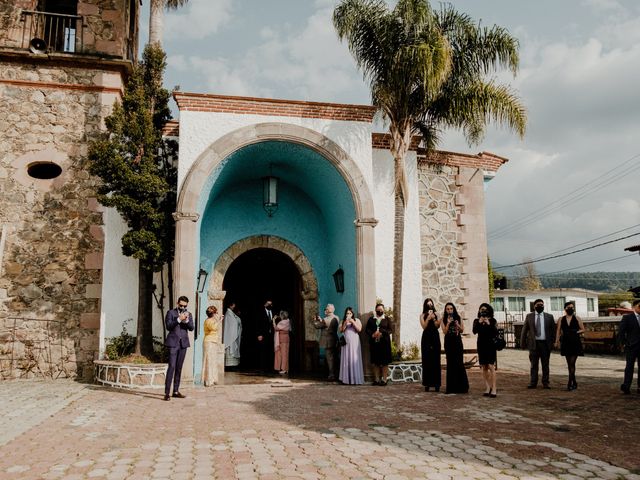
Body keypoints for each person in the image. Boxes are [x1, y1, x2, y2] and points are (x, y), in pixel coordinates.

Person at [164, 295, 194, 401]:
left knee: (179, 368)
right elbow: (168, 326)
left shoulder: (188, 314)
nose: (182, 308)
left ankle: (175, 391)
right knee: (171, 367)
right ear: (177, 303)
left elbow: (192, 328)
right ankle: (167, 393)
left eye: (184, 306)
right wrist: (178, 319)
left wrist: (186, 321)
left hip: (183, 344)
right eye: (181, 305)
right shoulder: (170, 313)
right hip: (173, 343)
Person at [520, 299, 556, 389]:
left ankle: (546, 382)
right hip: (534, 344)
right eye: (538, 305)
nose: (540, 306)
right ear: (534, 306)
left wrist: (553, 342)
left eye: (542, 304)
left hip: (545, 344)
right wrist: (522, 343)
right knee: (533, 365)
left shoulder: (549, 317)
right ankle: (533, 382)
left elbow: (553, 331)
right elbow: (524, 331)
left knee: (545, 364)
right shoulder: (529, 316)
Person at [554, 301, 584, 391]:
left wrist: (575, 332)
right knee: (569, 364)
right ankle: (574, 381)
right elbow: (558, 330)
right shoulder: (561, 319)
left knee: (572, 363)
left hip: (575, 342)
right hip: (566, 342)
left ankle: (569, 383)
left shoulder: (577, 318)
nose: (571, 308)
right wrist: (556, 341)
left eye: (572, 307)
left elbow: (583, 329)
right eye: (569, 307)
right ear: (565, 309)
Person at [441, 302, 469, 394]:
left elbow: (462, 330)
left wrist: (457, 325)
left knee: (459, 363)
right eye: (448, 309)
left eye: (451, 309)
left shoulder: (458, 317)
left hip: (457, 342)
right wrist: (448, 323)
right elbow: (444, 332)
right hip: (449, 342)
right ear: (445, 310)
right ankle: (451, 388)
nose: (449, 310)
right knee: (450, 363)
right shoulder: (443, 319)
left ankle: (462, 387)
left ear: (454, 309)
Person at [473, 303, 499, 397]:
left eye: (485, 309)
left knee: (491, 366)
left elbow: (495, 333)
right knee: (484, 367)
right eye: (481, 309)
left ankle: (494, 388)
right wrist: (480, 322)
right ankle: (487, 387)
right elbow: (474, 331)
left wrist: (488, 323)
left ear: (488, 310)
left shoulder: (493, 320)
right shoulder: (476, 320)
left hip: (490, 345)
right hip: (481, 345)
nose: (483, 311)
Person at [365, 303, 392, 386]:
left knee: (384, 362)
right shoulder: (371, 319)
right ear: (375, 310)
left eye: (381, 309)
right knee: (375, 362)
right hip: (374, 343)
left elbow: (390, 330)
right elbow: (367, 329)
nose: (380, 311)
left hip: (385, 344)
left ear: (383, 310)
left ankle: (384, 380)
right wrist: (372, 334)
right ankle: (376, 379)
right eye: (378, 309)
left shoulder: (387, 319)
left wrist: (382, 333)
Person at [618, 298, 640, 395]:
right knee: (629, 367)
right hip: (631, 347)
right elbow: (621, 332)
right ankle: (626, 386)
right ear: (635, 307)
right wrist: (622, 344)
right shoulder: (627, 318)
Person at [338, 307, 364, 385]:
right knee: (347, 358)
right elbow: (341, 330)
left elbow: (359, 329)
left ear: (352, 314)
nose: (348, 314)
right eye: (347, 313)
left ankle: (355, 379)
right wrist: (345, 323)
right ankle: (346, 379)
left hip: (355, 342)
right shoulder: (343, 321)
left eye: (350, 313)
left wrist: (353, 321)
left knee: (354, 358)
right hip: (346, 343)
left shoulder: (357, 320)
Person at [420, 298, 441, 392]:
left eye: (431, 304)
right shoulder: (422, 315)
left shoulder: (437, 314)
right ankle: (427, 384)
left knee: (436, 360)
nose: (430, 306)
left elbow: (438, 326)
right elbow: (424, 327)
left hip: (435, 337)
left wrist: (434, 319)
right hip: (426, 337)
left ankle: (437, 384)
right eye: (428, 304)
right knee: (427, 360)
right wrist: (428, 319)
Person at [314, 304, 340, 380]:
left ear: (329, 310)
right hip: (334, 339)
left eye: (326, 309)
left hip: (328, 341)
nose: (325, 310)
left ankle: (331, 374)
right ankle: (334, 373)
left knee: (329, 358)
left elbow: (317, 326)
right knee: (333, 357)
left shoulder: (326, 320)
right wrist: (321, 320)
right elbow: (325, 324)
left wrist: (315, 320)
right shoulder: (336, 317)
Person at [202, 305, 222, 387]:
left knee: (213, 361)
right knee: (209, 361)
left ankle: (214, 379)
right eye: (215, 312)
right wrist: (220, 320)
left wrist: (218, 318)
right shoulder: (208, 321)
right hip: (209, 342)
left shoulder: (213, 320)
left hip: (213, 342)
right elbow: (213, 327)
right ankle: (208, 380)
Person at [257, 299, 275, 373]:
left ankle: (270, 367)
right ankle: (263, 367)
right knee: (263, 351)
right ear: (265, 305)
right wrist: (259, 334)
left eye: (271, 304)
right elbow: (257, 324)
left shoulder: (273, 312)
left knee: (271, 351)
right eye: (268, 304)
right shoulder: (260, 313)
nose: (270, 305)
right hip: (263, 335)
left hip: (272, 335)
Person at [222, 302, 242, 368]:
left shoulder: (231, 313)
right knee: (230, 350)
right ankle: (229, 365)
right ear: (230, 305)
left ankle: (233, 365)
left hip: (232, 335)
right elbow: (234, 323)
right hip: (230, 335)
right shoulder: (228, 313)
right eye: (233, 305)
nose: (234, 307)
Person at [273, 310, 291, 374]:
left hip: (282, 339)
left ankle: (284, 369)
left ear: (282, 316)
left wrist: (273, 320)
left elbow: (276, 328)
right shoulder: (288, 321)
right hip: (286, 339)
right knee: (285, 354)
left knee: (283, 354)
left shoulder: (283, 322)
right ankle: (285, 368)